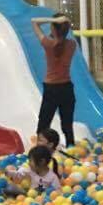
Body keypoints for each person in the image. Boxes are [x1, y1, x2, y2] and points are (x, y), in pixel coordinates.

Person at [33, 13, 77, 148]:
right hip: (67, 88)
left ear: (53, 28)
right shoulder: (72, 44)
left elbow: (34, 21)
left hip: (51, 89)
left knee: (43, 123)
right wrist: (59, 22)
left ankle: (41, 148)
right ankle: (71, 148)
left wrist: (52, 19)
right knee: (67, 124)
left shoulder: (48, 44)